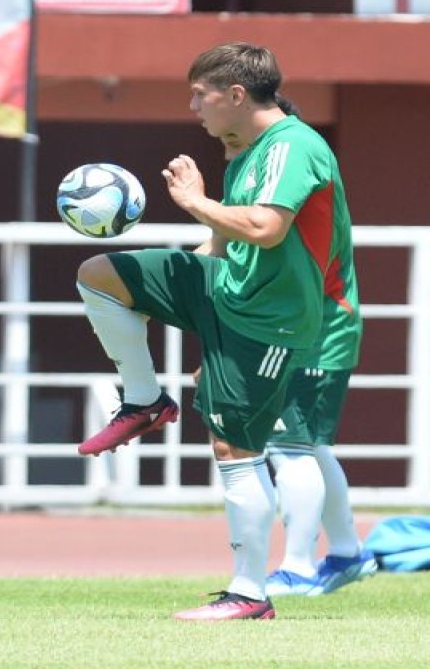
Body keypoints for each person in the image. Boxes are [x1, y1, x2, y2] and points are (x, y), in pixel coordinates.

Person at [75, 42, 351, 621]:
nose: (192, 104)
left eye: (199, 93)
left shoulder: (293, 145)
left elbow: (267, 228)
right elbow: (219, 245)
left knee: (237, 447)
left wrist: (195, 201)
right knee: (101, 277)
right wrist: (163, 298)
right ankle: (145, 400)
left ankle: (250, 593)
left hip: (270, 319)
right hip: (225, 291)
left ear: (235, 95)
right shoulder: (244, 153)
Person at [215, 108, 377, 597]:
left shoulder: (289, 166)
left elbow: (261, 236)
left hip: (316, 327)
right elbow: (223, 250)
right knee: (309, 444)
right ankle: (347, 553)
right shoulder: (252, 174)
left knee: (290, 447)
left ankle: (300, 566)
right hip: (300, 327)